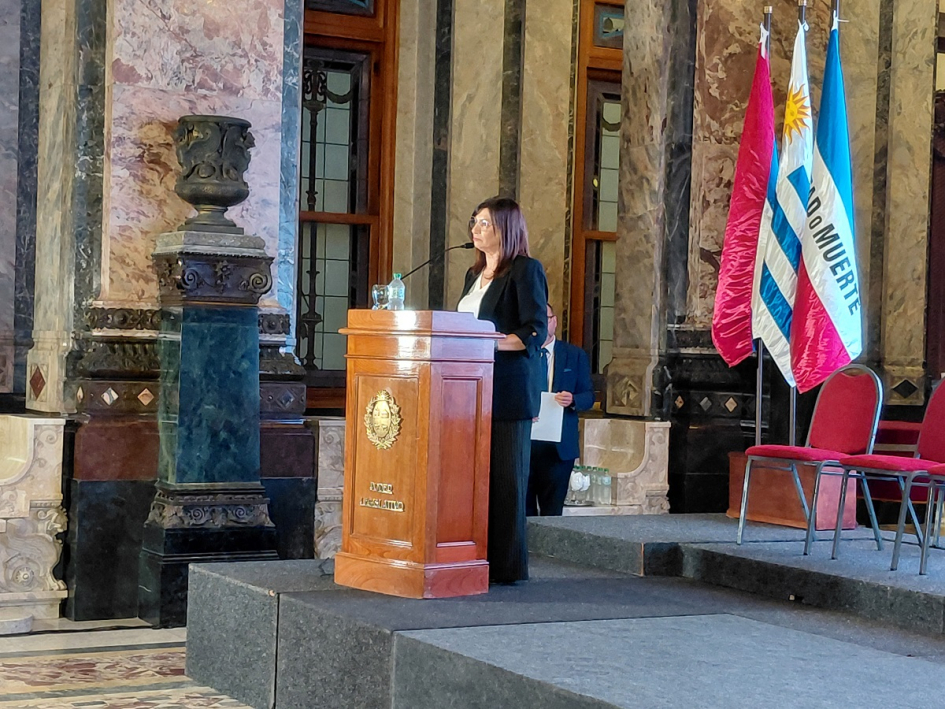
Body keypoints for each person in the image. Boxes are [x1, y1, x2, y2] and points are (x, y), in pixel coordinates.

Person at [457, 196, 548, 584]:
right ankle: (474, 556)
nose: (475, 230)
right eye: (474, 223)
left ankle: (508, 568)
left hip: (507, 391)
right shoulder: (472, 275)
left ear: (505, 229)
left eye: (484, 223)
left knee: (507, 480)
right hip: (468, 393)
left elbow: (535, 330)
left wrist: (490, 342)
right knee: (473, 479)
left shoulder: (525, 270)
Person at [526, 303, 595, 516]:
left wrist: (572, 399)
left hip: (558, 449)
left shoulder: (574, 355)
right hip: (526, 444)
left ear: (554, 321)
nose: (541, 325)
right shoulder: (521, 355)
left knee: (552, 512)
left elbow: (589, 397)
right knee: (523, 512)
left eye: (545, 319)